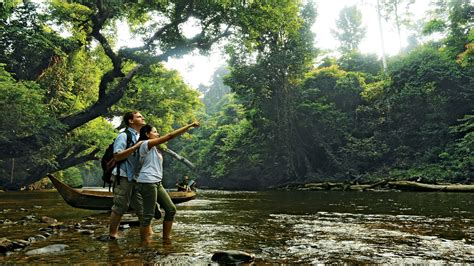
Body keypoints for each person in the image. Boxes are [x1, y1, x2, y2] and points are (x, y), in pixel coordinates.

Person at [136, 121, 200, 244]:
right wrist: (190, 126)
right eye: (154, 131)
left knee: (171, 210)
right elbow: (170, 136)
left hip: (157, 182)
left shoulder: (154, 148)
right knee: (148, 215)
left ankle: (166, 239)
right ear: (147, 134)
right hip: (147, 182)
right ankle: (144, 245)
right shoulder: (146, 144)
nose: (158, 133)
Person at [107, 111, 146, 240]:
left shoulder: (141, 136)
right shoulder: (123, 136)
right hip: (122, 176)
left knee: (142, 208)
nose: (143, 118)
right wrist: (136, 147)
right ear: (130, 121)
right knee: (120, 206)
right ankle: (112, 234)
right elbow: (117, 156)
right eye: (139, 116)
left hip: (137, 177)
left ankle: (148, 235)